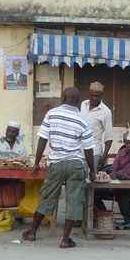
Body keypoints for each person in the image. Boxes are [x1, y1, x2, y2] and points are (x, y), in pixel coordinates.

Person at [21, 87, 96, 248]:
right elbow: (88, 149)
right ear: (78, 101)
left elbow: (42, 139)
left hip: (56, 164)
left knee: (47, 197)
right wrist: (92, 170)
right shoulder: (83, 120)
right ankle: (65, 240)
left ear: (63, 98)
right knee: (74, 201)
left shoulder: (52, 114)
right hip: (76, 165)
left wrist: (36, 162)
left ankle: (32, 232)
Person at [94, 130, 130, 226]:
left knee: (124, 198)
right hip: (116, 185)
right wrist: (114, 174)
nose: (128, 146)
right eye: (127, 143)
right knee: (93, 193)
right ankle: (106, 216)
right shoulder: (122, 152)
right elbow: (113, 168)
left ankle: (127, 222)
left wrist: (126, 177)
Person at [0, 120, 28, 210]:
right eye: (9, 131)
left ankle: (19, 203)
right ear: (6, 131)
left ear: (17, 134)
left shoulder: (21, 145)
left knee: (22, 181)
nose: (10, 134)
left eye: (13, 132)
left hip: (14, 173)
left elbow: (25, 158)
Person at [80, 81, 113, 170]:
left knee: (93, 177)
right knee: (81, 177)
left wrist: (104, 157)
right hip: (80, 152)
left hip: (95, 153)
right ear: (89, 94)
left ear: (102, 95)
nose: (94, 98)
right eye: (92, 95)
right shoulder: (83, 104)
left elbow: (109, 138)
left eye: (97, 96)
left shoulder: (106, 111)